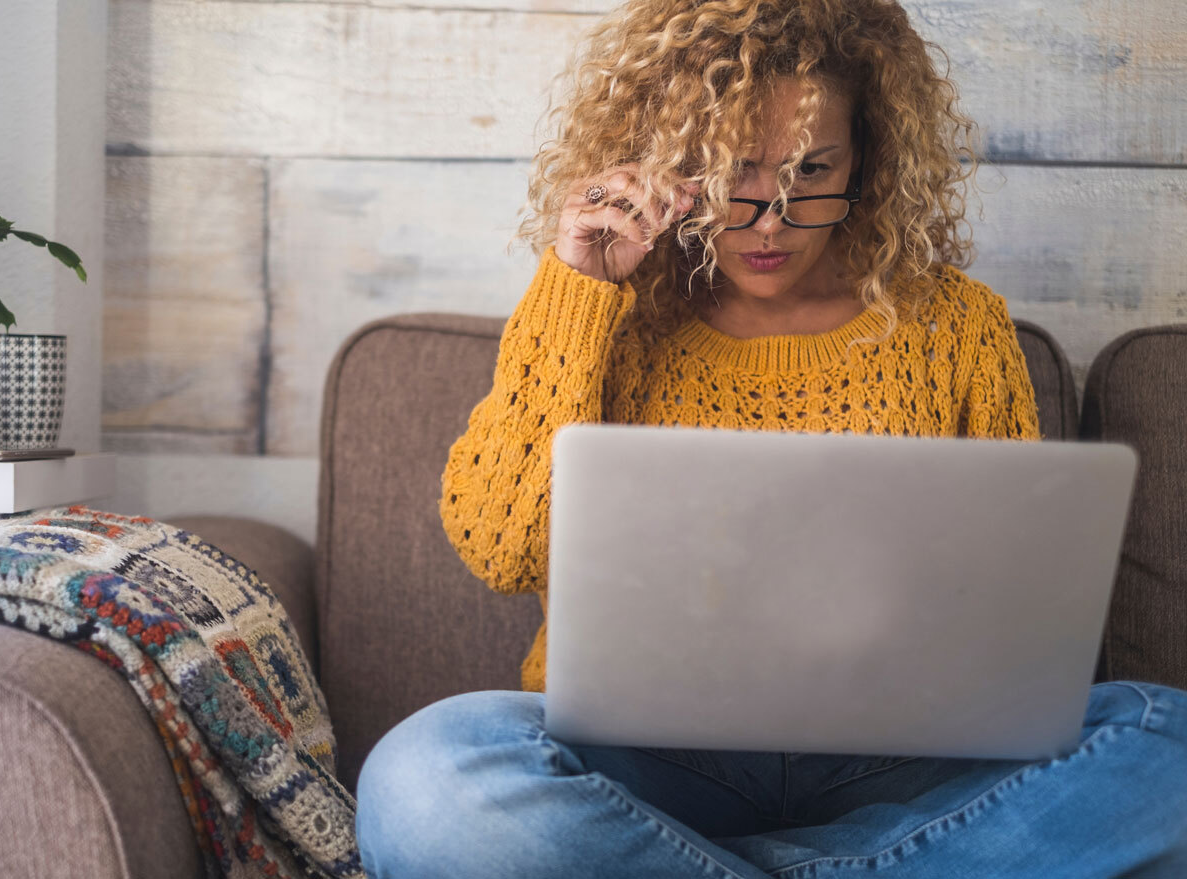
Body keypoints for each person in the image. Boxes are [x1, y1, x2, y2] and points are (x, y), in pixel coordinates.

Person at [355, 0, 1187, 875]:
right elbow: (498, 544)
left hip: (902, 766)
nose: (770, 220)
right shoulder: (610, 317)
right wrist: (578, 290)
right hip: (650, 766)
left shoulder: (959, 328)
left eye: (811, 171)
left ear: (870, 155)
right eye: (733, 174)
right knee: (423, 775)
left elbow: (1015, 625)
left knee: (1165, 742)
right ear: (669, 162)